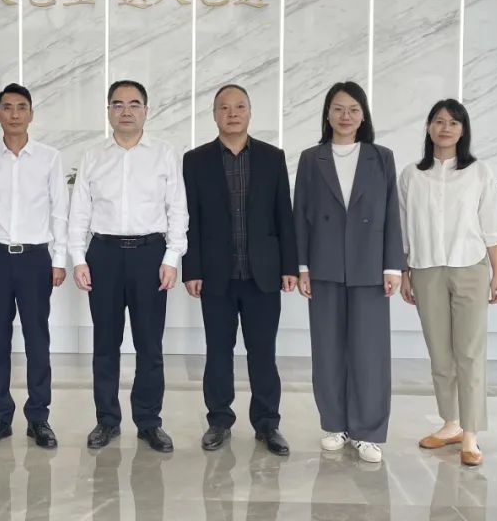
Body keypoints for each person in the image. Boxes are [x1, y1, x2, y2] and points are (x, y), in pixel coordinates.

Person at [69, 80, 188, 453]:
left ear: (146, 111)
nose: (126, 111)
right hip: (103, 254)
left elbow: (177, 209)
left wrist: (171, 258)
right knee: (105, 343)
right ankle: (107, 420)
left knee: (149, 344)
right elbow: (79, 211)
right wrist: (78, 258)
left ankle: (149, 422)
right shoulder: (93, 156)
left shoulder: (164, 154)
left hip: (150, 255)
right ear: (108, 111)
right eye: (117, 104)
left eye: (134, 104)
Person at [182, 84, 298, 455]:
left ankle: (267, 424)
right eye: (224, 108)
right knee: (218, 351)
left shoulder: (272, 157)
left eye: (239, 107)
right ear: (214, 115)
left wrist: (289, 266)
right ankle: (219, 421)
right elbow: (190, 220)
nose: (232, 114)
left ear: (249, 112)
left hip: (263, 274)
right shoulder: (195, 160)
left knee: (263, 352)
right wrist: (191, 269)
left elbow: (284, 215)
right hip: (216, 274)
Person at [293, 81, 403, 464]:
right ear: (327, 114)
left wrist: (393, 266)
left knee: (370, 351)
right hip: (324, 265)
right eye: (338, 108)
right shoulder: (312, 158)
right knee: (327, 349)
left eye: (354, 109)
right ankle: (334, 424)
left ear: (363, 115)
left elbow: (392, 212)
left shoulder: (381, 157)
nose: (345, 116)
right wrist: (302, 266)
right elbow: (300, 214)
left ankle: (368, 431)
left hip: (369, 265)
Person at [399, 99, 497, 467]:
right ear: (428, 127)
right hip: (426, 269)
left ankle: (471, 434)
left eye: (453, 122)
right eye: (438, 121)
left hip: (470, 267)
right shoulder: (412, 175)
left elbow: (492, 224)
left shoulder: (479, 172)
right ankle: (450, 424)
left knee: (470, 352)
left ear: (463, 130)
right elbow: (403, 228)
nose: (445, 128)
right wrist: (404, 273)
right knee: (440, 352)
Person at [0, 83, 69, 450]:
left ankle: (38, 417)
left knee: (37, 339)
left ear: (31, 114)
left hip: (35, 258)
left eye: (21, 107)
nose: (14, 114)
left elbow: (59, 210)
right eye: (7, 107)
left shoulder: (49, 158)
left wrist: (59, 260)